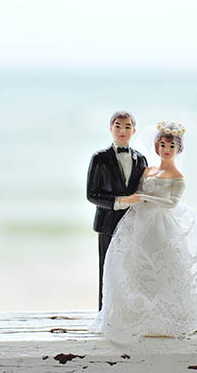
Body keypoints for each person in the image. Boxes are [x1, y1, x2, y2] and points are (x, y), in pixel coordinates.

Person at [89, 121, 197, 343]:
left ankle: (167, 314)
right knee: (134, 262)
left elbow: (171, 202)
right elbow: (138, 188)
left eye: (170, 147)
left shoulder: (177, 176)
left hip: (160, 222)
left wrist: (146, 199)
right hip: (139, 219)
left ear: (178, 149)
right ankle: (135, 311)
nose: (166, 150)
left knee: (162, 262)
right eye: (162, 145)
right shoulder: (149, 169)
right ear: (157, 146)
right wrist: (135, 198)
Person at [86, 111, 148, 311]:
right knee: (108, 270)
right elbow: (92, 194)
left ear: (134, 130)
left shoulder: (141, 159)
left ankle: (129, 313)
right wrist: (121, 201)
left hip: (133, 224)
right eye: (118, 126)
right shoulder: (100, 158)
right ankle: (105, 313)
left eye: (127, 126)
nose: (122, 131)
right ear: (111, 129)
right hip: (108, 224)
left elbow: (143, 190)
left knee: (131, 270)